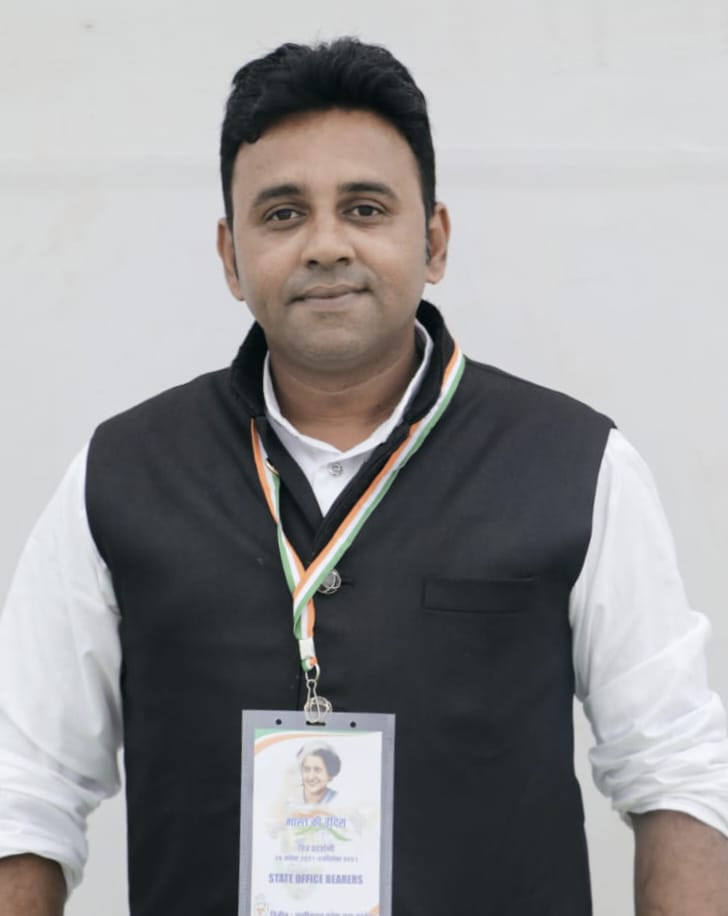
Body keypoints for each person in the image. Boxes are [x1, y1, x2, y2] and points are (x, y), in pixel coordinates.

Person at [0, 36, 727, 916]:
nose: (325, 245)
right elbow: (24, 789)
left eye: (366, 208)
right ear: (230, 257)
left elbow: (677, 769)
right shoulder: (119, 476)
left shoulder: (578, 464)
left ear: (435, 239)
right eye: (282, 214)